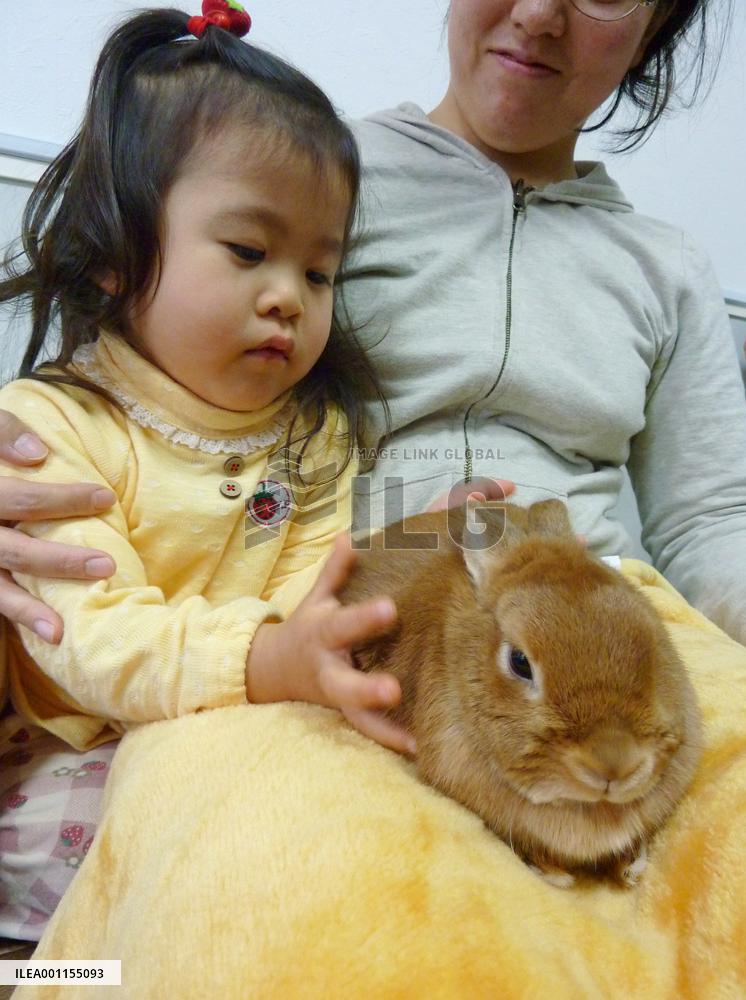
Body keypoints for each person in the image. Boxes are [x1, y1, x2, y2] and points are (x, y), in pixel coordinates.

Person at [2, 0, 746, 983]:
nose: (538, 14)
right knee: (357, 902)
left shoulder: (670, 266)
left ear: (657, 27)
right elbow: (133, 372)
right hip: (359, 634)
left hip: (615, 614)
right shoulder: (303, 172)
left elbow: (712, 518)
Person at [0, 3, 429, 938]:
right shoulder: (47, 431)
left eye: (320, 274)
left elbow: (308, 600)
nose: (288, 298)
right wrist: (266, 660)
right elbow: (93, 641)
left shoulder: (314, 437)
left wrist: (406, 563)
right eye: (247, 252)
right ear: (117, 253)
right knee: (95, 915)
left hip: (235, 725)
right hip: (78, 747)